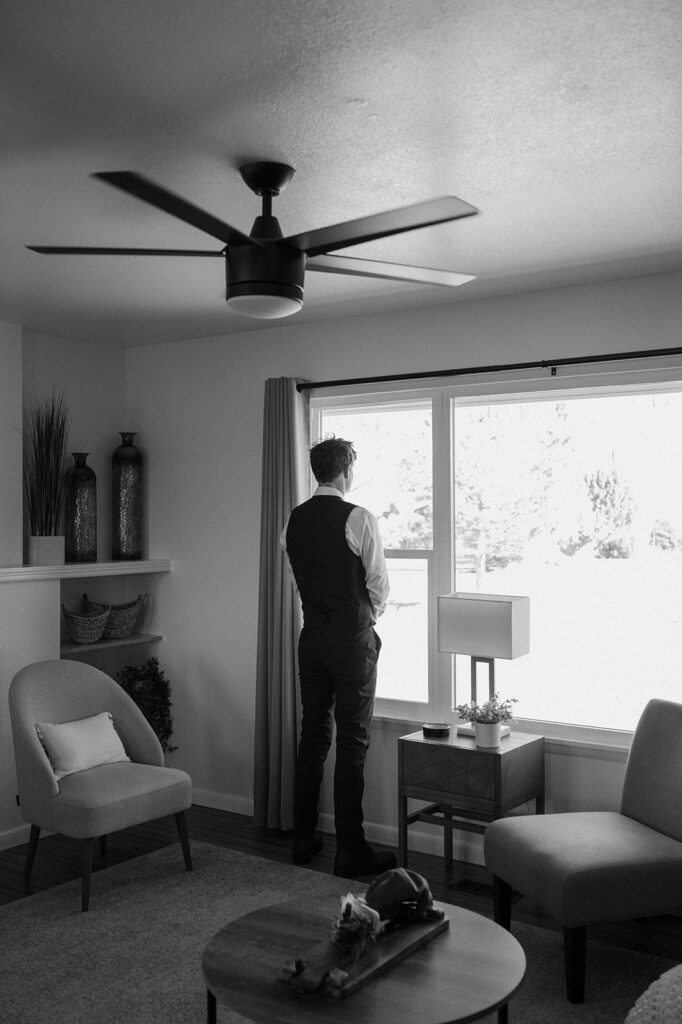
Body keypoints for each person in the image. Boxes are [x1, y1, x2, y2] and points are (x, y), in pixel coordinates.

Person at [281, 437, 397, 878]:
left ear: (316, 471)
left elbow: (300, 578)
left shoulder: (293, 521)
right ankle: (350, 849)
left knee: (313, 734)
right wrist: (366, 616)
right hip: (351, 639)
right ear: (346, 471)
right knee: (353, 740)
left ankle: (303, 838)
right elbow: (379, 584)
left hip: (311, 637)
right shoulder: (358, 517)